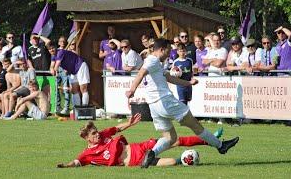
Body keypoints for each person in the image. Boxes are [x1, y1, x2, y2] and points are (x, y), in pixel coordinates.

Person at [125, 38, 239, 168]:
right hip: (165, 101)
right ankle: (220, 146)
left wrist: (188, 83)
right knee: (195, 125)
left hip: (154, 106)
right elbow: (140, 74)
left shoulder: (154, 63)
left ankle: (151, 154)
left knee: (170, 138)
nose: (169, 54)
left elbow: (169, 78)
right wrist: (132, 90)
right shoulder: (152, 60)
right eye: (168, 50)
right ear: (161, 49)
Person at [56, 113, 224, 168]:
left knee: (173, 140)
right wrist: (65, 166)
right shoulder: (88, 153)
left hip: (137, 146)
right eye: (93, 134)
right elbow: (77, 161)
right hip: (134, 159)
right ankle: (185, 160)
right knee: (172, 162)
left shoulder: (103, 134)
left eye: (96, 132)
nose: (97, 135)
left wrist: (129, 123)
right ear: (86, 138)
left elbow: (117, 128)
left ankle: (209, 140)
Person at [55, 36, 70, 114]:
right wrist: (55, 70)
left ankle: (66, 108)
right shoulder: (56, 51)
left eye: (64, 41)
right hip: (58, 70)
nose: (62, 43)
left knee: (65, 89)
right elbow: (54, 60)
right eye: (61, 41)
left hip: (65, 71)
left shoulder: (68, 51)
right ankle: (57, 106)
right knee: (56, 89)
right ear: (58, 42)